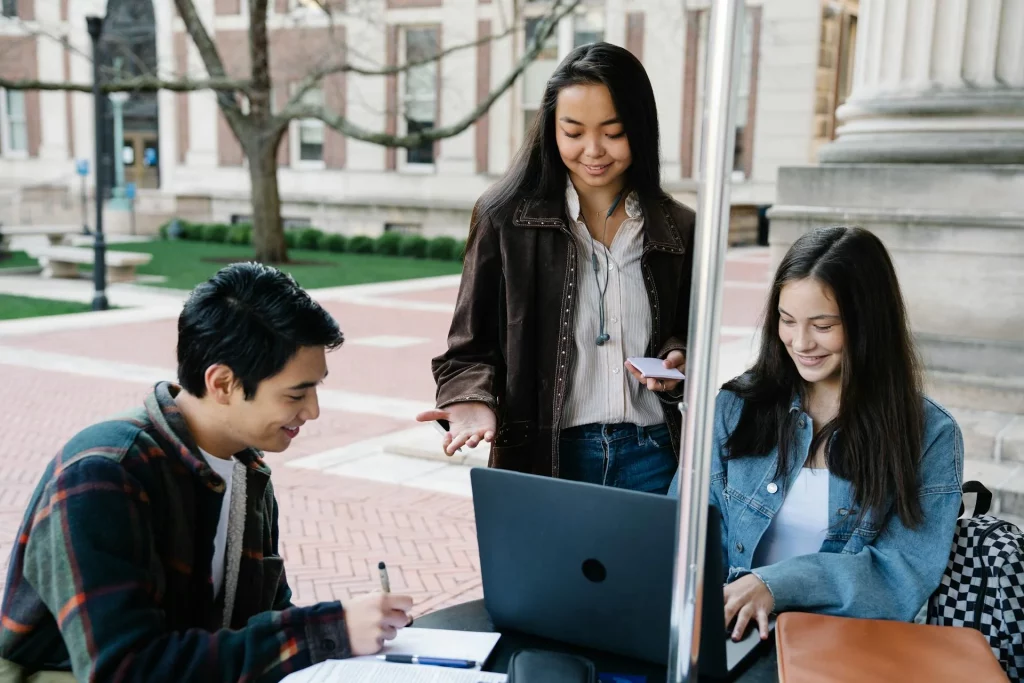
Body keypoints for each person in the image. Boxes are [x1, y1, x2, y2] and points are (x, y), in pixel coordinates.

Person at [0, 263, 413, 682]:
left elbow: (264, 622)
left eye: (315, 388)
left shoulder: (247, 471)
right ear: (222, 383)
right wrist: (323, 631)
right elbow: (124, 669)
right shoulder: (104, 475)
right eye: (296, 393)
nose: (312, 411)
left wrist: (352, 632)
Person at [417, 42, 696, 493]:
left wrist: (678, 357)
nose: (593, 150)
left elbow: (687, 332)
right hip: (545, 456)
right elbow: (468, 348)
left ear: (641, 129)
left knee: (646, 568)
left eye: (613, 131)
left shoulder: (679, 226)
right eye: (573, 132)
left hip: (654, 455)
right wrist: (472, 400)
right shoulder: (504, 218)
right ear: (551, 130)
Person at [669, 226, 963, 641]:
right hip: (730, 631)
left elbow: (903, 571)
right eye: (787, 321)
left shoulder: (929, 433)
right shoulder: (738, 405)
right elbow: (686, 524)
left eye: (823, 326)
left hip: (842, 643)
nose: (800, 342)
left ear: (868, 324)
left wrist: (775, 585)